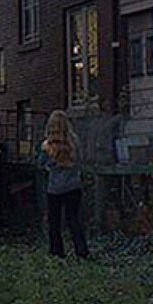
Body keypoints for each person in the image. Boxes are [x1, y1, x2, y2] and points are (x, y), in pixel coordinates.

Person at [38, 109, 89, 259]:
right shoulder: (47, 145)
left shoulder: (72, 143)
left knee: (71, 221)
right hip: (56, 188)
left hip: (69, 187)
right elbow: (41, 163)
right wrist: (51, 157)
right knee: (57, 222)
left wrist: (62, 160)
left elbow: (77, 162)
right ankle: (59, 253)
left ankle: (79, 251)